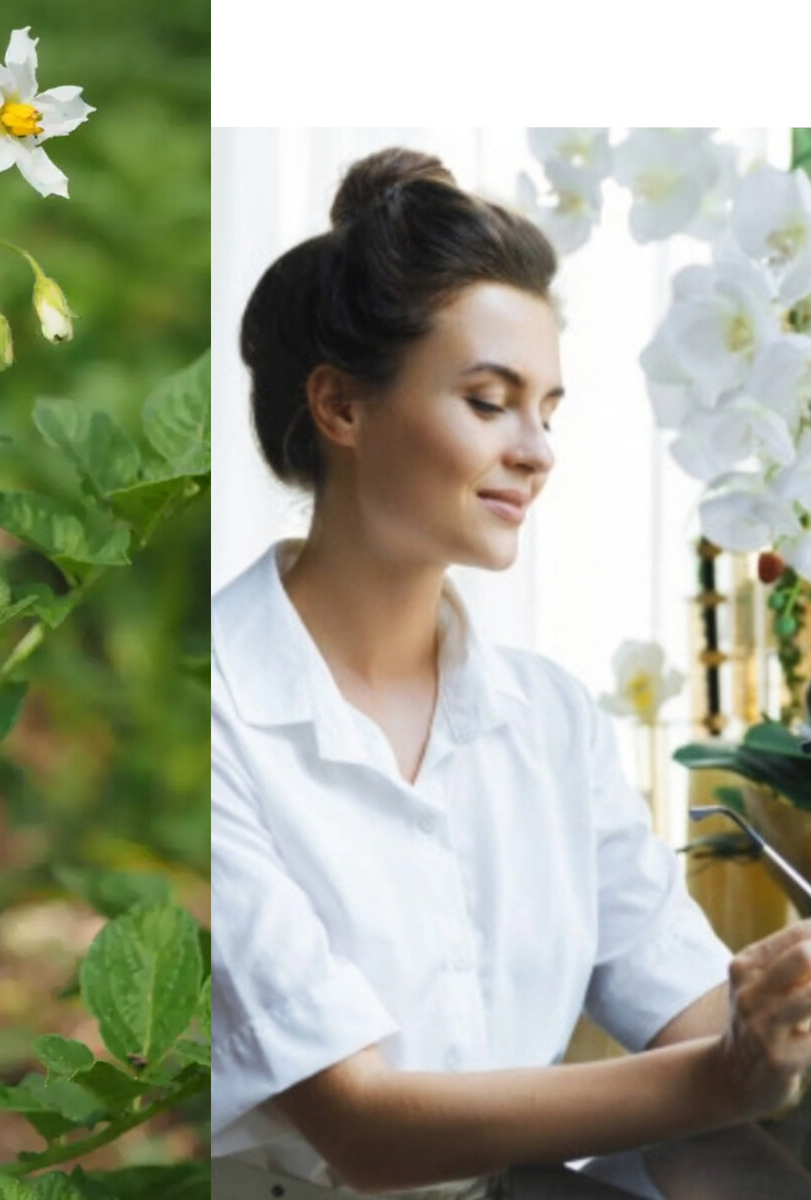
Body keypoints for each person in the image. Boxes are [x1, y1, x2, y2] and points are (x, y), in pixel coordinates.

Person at [210, 147, 811, 1200]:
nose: (538, 451)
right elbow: (366, 1129)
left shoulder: (551, 721)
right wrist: (728, 1075)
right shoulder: (212, 712)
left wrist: (782, 1007)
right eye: (491, 402)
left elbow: (701, 1013)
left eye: (549, 410)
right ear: (342, 410)